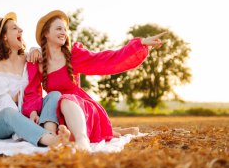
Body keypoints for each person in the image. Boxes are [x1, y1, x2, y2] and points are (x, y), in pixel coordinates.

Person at [23, 10, 165, 150]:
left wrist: (140, 44)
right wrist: (33, 112)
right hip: (56, 115)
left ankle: (82, 141)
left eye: (65, 30)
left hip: (80, 107)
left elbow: (107, 59)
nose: (64, 33)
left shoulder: (73, 56)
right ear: (46, 33)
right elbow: (32, 93)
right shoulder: (37, 62)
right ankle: (117, 132)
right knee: (57, 108)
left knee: (65, 99)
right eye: (58, 28)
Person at [0, 12, 70, 147]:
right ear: (4, 37)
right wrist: (25, 122)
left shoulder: (28, 59)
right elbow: (4, 101)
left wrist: (36, 49)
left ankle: (49, 132)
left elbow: (44, 54)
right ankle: (49, 139)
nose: (21, 30)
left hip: (24, 111)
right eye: (14, 28)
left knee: (54, 95)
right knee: (9, 112)